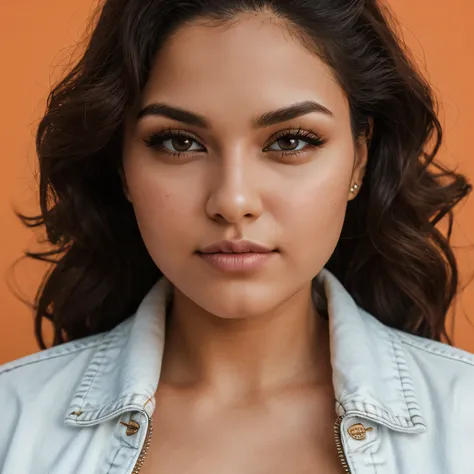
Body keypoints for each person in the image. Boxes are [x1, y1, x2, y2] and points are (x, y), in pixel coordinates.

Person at [1, 0, 473, 472]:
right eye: (179, 142)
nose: (233, 199)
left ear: (359, 159)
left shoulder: (462, 420)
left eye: (291, 141)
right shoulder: (13, 422)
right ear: (121, 166)